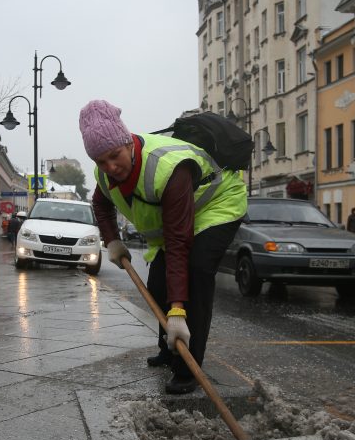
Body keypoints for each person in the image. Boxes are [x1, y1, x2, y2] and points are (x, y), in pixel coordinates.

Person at [81, 99, 247, 394]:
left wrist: (179, 311)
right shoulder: (105, 173)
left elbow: (179, 242)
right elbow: (100, 203)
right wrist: (113, 241)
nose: (110, 167)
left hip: (217, 205)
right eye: (100, 161)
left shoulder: (168, 168)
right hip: (178, 220)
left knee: (195, 275)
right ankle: (168, 349)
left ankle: (187, 367)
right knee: (158, 284)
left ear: (128, 143)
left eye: (115, 156)